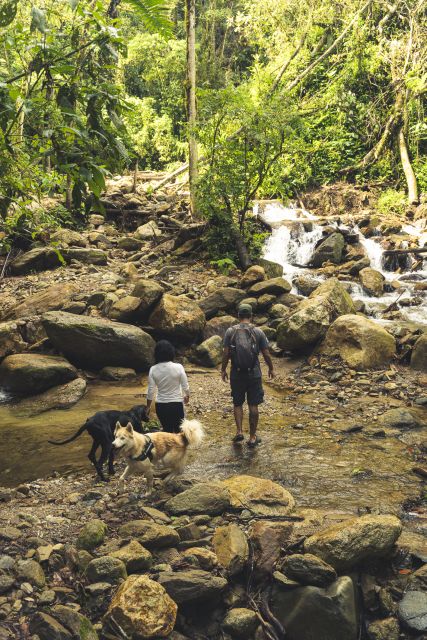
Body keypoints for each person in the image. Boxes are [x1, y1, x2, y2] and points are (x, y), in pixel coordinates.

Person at [221, 304, 274, 447]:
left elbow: (226, 353)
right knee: (253, 404)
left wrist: (223, 369)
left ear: (238, 316)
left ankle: (239, 432)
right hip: (254, 373)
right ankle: (252, 437)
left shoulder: (230, 331)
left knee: (237, 403)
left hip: (236, 373)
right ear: (251, 316)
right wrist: (271, 368)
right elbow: (266, 353)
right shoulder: (258, 332)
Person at [146, 340, 190, 433]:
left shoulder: (153, 369)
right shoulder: (178, 367)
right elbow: (185, 385)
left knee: (167, 432)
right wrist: (187, 395)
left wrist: (148, 406)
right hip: (176, 404)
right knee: (179, 433)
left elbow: (151, 390)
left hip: (161, 405)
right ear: (171, 353)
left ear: (156, 354)